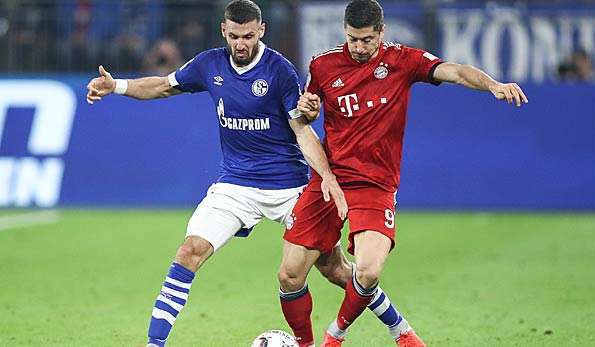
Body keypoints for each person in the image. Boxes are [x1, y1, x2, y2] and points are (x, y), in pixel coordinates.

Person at [86, 1, 409, 346]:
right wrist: (116, 86)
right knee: (189, 251)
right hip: (235, 185)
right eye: (235, 36)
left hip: (291, 187)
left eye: (249, 36)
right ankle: (154, 344)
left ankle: (399, 328)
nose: (241, 43)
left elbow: (302, 131)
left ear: (261, 31)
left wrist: (326, 176)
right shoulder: (209, 64)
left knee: (334, 269)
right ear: (224, 31)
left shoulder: (280, 71)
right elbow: (163, 85)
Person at [277, 1, 529, 346]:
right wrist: (308, 108)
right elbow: (306, 113)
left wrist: (493, 84)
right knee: (290, 275)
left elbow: (454, 71)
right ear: (344, 32)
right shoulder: (322, 65)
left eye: (367, 40)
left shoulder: (403, 61)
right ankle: (336, 339)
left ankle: (334, 335)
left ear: (382, 32)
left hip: (375, 184)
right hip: (330, 180)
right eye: (353, 39)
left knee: (367, 270)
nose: (359, 47)